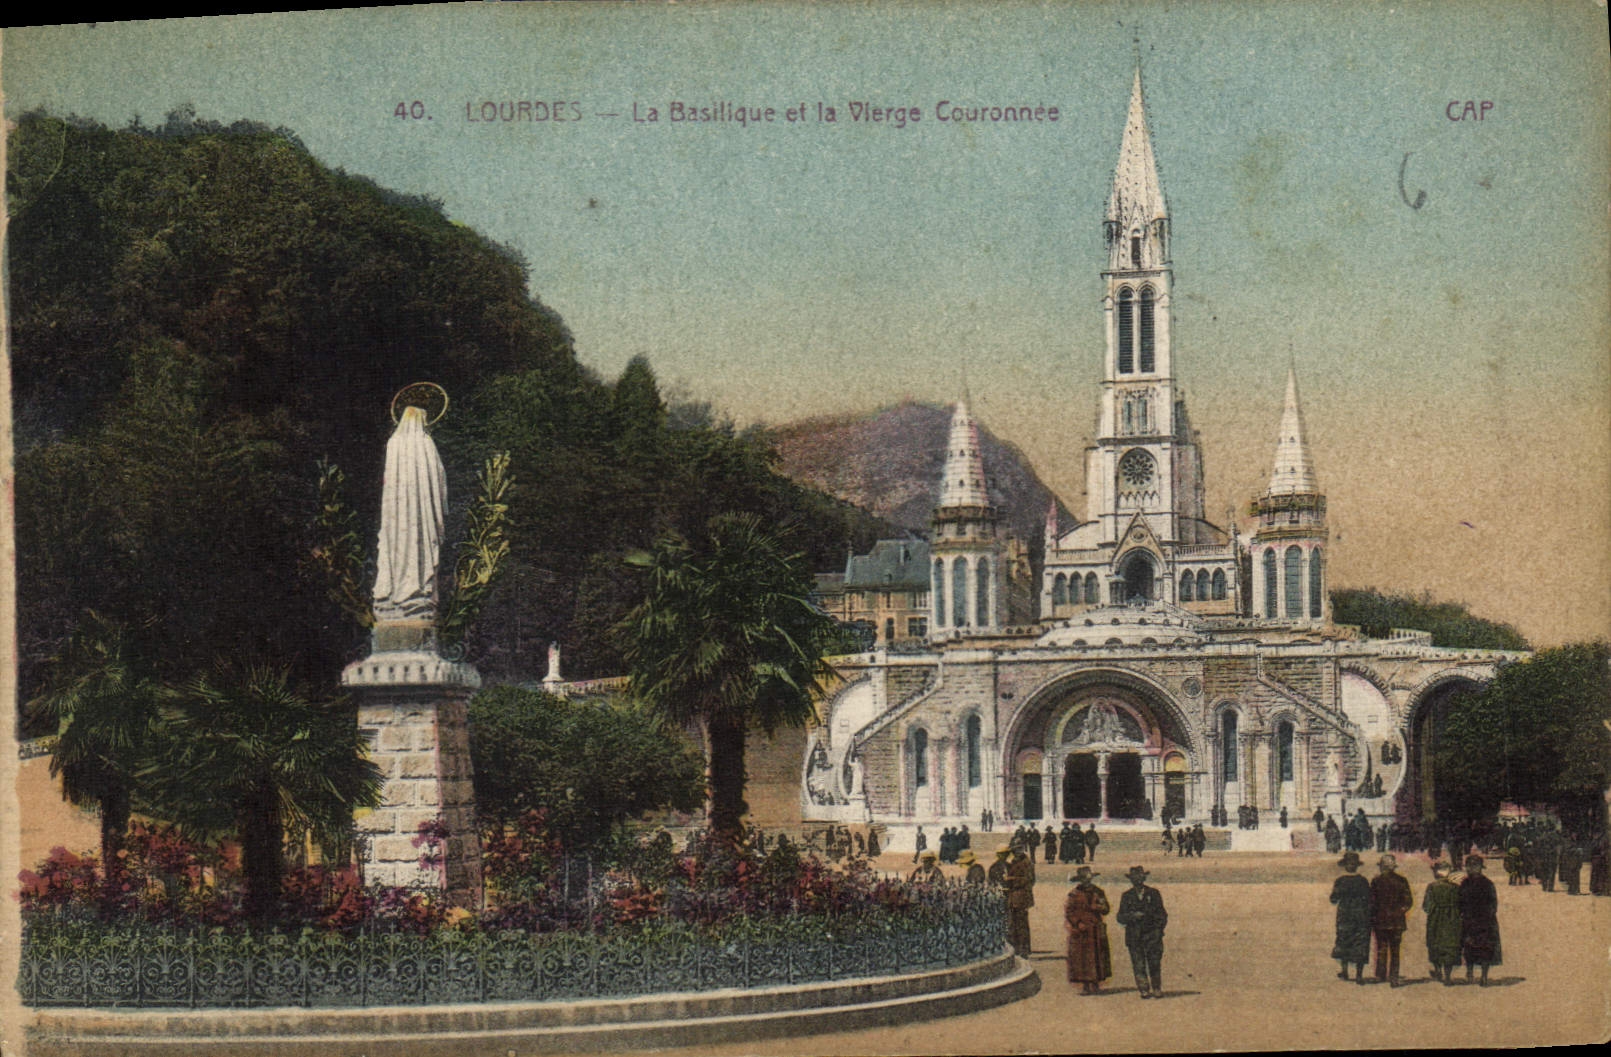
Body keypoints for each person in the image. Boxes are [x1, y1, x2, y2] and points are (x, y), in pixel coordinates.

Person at [1115, 865, 1168, 999]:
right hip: (1134, 935)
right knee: (1138, 964)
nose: (1137, 880)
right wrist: (1132, 916)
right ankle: (1144, 988)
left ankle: (1156, 988)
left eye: (1140, 877)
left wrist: (1158, 931)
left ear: (1144, 878)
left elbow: (1162, 915)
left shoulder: (1154, 893)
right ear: (1131, 880)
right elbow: (1120, 917)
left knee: (1154, 962)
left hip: (1152, 935)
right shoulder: (1126, 896)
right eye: (1134, 878)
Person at [1064, 865, 1112, 995]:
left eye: (1088, 879)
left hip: (1095, 928)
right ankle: (1085, 985)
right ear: (1080, 880)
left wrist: (1098, 906)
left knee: (1097, 955)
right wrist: (1077, 923)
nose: (1087, 882)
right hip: (1081, 930)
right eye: (1084, 879)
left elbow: (1106, 909)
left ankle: (1095, 984)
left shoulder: (1098, 892)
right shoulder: (1074, 894)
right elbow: (1069, 912)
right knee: (1082, 957)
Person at [1370, 853, 1413, 986]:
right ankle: (1393, 976)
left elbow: (1372, 902)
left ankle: (1380, 975)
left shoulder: (1376, 881)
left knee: (1381, 948)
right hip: (1396, 921)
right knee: (1395, 950)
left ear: (1382, 867)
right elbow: (1408, 902)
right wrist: (1399, 912)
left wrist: (1373, 916)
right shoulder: (1402, 880)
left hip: (1381, 920)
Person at [1459, 854, 1501, 985]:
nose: (1472, 869)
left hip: (1483, 921)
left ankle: (1483, 976)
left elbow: (1493, 903)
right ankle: (1470, 973)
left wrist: (1487, 916)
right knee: (1470, 948)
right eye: (1469, 866)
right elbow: (1459, 901)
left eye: (1475, 866)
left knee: (1484, 949)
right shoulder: (1465, 883)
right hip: (1471, 920)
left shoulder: (1487, 884)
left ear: (1480, 868)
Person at [1330, 850, 1371, 984]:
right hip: (1361, 915)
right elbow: (1369, 899)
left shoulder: (1340, 881)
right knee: (1360, 943)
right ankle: (1359, 975)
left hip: (1345, 915)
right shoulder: (1363, 881)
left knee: (1344, 940)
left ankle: (1345, 971)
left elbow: (1333, 899)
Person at [1422, 861, 1462, 984]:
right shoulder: (1455, 887)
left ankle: (1438, 970)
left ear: (1436, 873)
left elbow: (1426, 906)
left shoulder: (1432, 887)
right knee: (1450, 946)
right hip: (1452, 919)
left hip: (1436, 919)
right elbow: (1460, 905)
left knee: (1435, 944)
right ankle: (1448, 976)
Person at [1006, 848, 1036, 957]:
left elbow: (1030, 880)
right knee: (1015, 923)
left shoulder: (1026, 863)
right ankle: (1018, 947)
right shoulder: (1015, 862)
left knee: (1021, 923)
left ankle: (1023, 948)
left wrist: (1012, 880)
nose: (1015, 853)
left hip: (1021, 897)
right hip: (1015, 897)